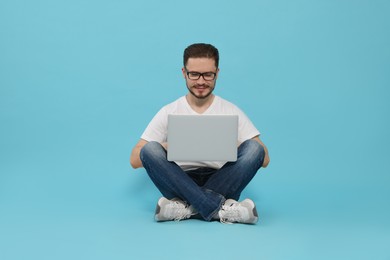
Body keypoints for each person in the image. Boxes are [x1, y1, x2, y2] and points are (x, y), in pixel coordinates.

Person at [130, 43, 270, 224]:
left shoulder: (231, 110)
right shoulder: (169, 111)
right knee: (150, 149)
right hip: (179, 180)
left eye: (208, 75)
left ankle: (185, 208)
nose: (201, 81)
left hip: (223, 180)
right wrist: (173, 146)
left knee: (254, 148)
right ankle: (220, 210)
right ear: (184, 73)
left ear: (217, 73)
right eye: (194, 74)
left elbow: (263, 158)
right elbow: (135, 159)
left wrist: (228, 142)